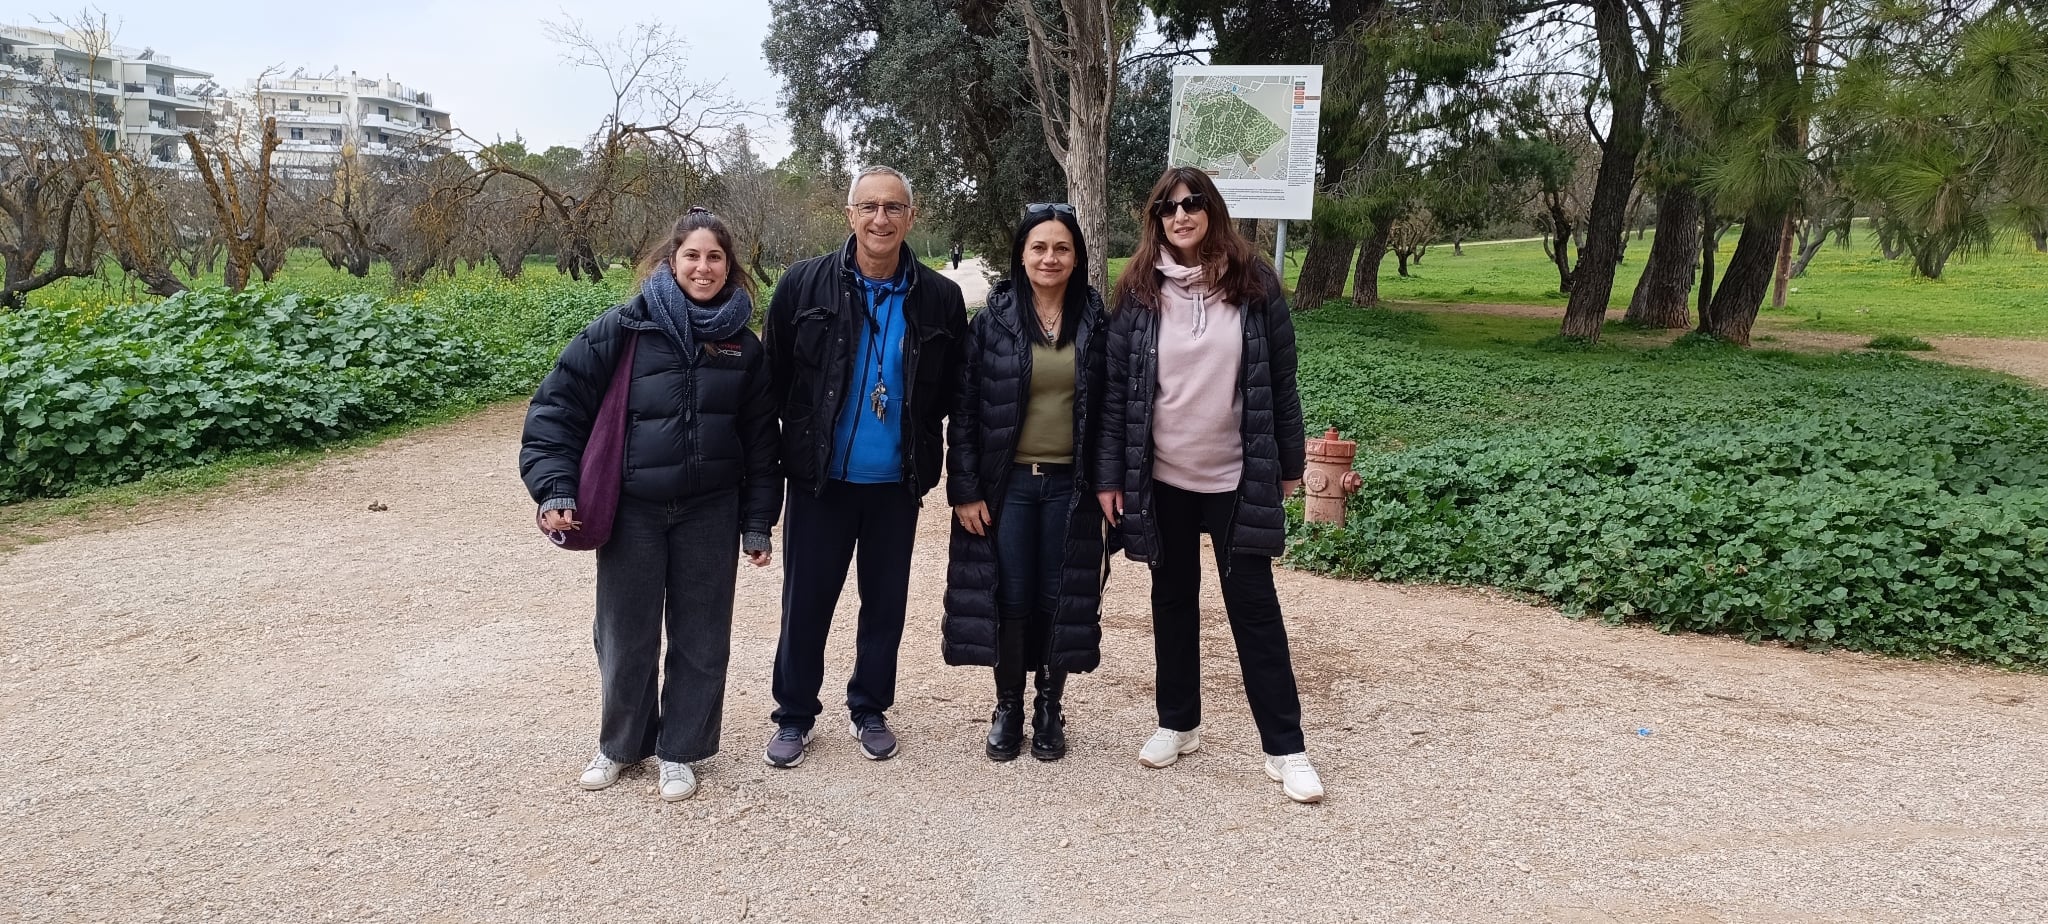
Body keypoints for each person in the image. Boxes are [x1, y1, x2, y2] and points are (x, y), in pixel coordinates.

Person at [519, 207, 780, 802]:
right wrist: (555, 487)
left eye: (715, 257)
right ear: (671, 261)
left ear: (730, 268)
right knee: (624, 634)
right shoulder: (624, 328)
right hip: (633, 509)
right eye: (692, 256)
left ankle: (680, 750)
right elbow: (556, 408)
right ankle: (621, 744)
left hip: (710, 510)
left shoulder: (742, 346)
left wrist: (758, 521)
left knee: (702, 637)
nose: (703, 268)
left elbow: (763, 441)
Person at [1093, 167, 1323, 803]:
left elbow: (1280, 384)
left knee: (1254, 607)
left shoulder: (1255, 285)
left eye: (1193, 203)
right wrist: (1110, 476)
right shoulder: (1138, 292)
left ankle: (1286, 748)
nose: (1181, 215)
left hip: (1236, 477)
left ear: (1212, 210)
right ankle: (1178, 722)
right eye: (1168, 208)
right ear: (1156, 220)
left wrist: (1288, 465)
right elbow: (1116, 396)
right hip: (1162, 477)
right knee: (1171, 600)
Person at [761, 165, 967, 767]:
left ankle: (870, 707)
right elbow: (771, 384)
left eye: (894, 207)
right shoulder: (802, 286)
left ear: (912, 217)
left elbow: (954, 394)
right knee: (806, 605)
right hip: (820, 480)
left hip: (895, 485)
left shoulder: (940, 298)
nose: (881, 218)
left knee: (884, 606)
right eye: (869, 206)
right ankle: (794, 715)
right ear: (850, 214)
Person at [941, 203, 1109, 762]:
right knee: (1010, 597)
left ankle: (1049, 707)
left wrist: (1110, 480)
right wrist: (965, 488)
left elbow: (1111, 411)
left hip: (1070, 488)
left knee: (1059, 599)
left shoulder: (1095, 321)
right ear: (1021, 254)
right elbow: (965, 410)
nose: (1049, 258)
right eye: (1039, 247)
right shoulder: (994, 321)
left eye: (1062, 248)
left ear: (1077, 257)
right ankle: (1008, 705)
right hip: (1007, 486)